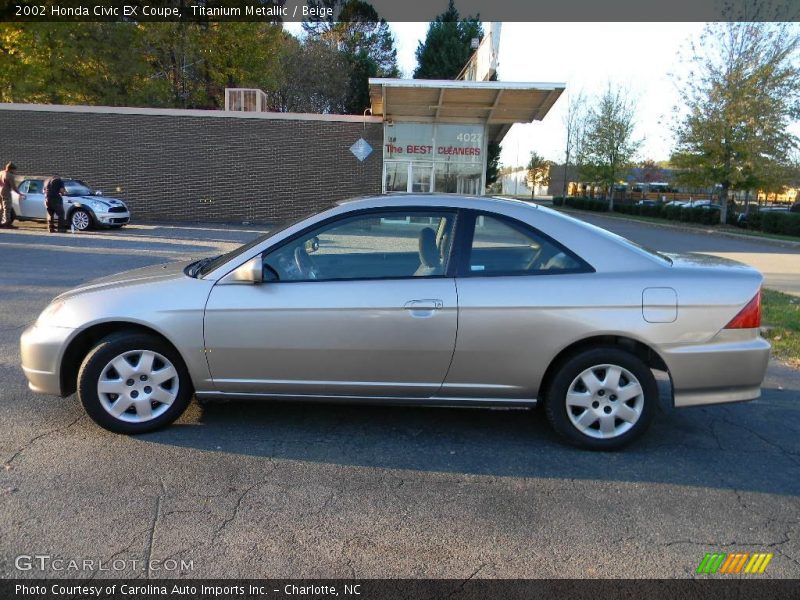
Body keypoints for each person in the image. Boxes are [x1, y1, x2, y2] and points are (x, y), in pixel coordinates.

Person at [0, 162, 24, 228]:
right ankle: (7, 223)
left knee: (1, 208)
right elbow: (13, 187)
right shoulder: (10, 175)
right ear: (11, 169)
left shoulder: (1, 172)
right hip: (6, 192)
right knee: (7, 208)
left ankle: (1, 223)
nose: (15, 171)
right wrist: (20, 193)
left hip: (0, 191)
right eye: (14, 170)